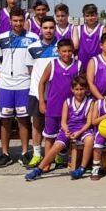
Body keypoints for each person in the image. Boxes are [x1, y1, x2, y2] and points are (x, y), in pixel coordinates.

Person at [24, 75, 95, 181]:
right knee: (56, 146)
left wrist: (80, 132)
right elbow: (63, 121)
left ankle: (82, 168)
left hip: (82, 129)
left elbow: (89, 122)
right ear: (72, 89)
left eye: (81, 89)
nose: (79, 92)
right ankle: (38, 169)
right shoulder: (67, 102)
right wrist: (66, 130)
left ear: (86, 89)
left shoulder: (90, 102)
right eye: (76, 89)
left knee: (90, 139)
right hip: (69, 128)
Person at [0, 8, 40, 168]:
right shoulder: (1, 38)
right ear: (10, 21)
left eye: (21, 20)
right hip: (6, 84)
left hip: (24, 84)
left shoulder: (33, 38)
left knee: (23, 120)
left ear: (25, 21)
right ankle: (5, 153)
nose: (18, 23)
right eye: (15, 20)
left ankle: (24, 152)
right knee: (5, 120)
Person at [36, 38, 80, 170]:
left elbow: (81, 85)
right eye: (64, 51)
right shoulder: (53, 64)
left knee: (70, 135)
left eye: (69, 51)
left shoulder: (78, 65)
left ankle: (70, 159)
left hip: (71, 108)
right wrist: (41, 102)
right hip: (53, 106)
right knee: (50, 136)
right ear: (59, 52)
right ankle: (47, 161)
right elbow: (41, 82)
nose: (67, 54)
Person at [25, 17, 58, 168]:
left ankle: (55, 155)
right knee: (37, 124)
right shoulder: (32, 47)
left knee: (56, 125)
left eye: (51, 27)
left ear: (55, 29)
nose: (48, 30)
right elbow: (31, 70)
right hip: (36, 92)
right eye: (45, 28)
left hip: (56, 94)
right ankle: (37, 154)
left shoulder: (61, 46)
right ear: (40, 29)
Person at [75, 3, 102, 69]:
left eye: (92, 15)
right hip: (81, 65)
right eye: (87, 16)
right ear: (84, 16)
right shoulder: (78, 29)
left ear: (96, 15)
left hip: (97, 64)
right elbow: (75, 47)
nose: (90, 18)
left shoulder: (103, 29)